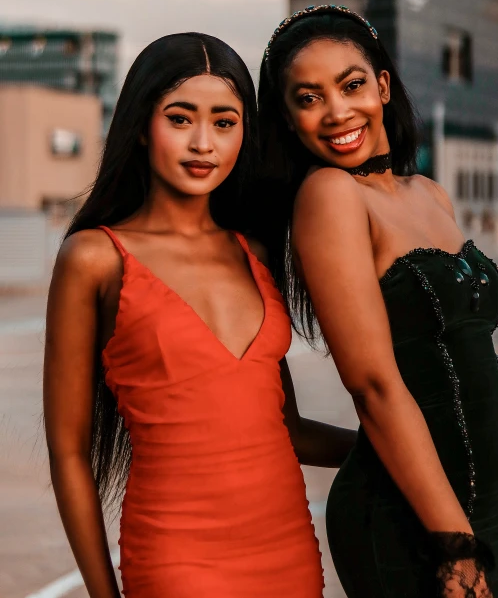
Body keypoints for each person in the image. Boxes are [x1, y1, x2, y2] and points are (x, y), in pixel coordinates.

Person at [256, 5, 498, 598]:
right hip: (413, 522)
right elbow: (373, 386)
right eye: (309, 97)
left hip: (490, 506)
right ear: (289, 120)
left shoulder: (431, 195)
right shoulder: (328, 196)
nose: (339, 111)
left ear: (383, 86)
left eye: (351, 85)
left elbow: (479, 373)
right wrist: (456, 549)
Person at [43, 32, 356, 598]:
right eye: (181, 119)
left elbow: (286, 431)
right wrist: (102, 592)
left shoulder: (256, 254)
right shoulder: (94, 258)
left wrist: (397, 449)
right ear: (142, 126)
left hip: (287, 552)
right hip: (175, 556)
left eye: (225, 122)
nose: (203, 143)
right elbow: (68, 451)